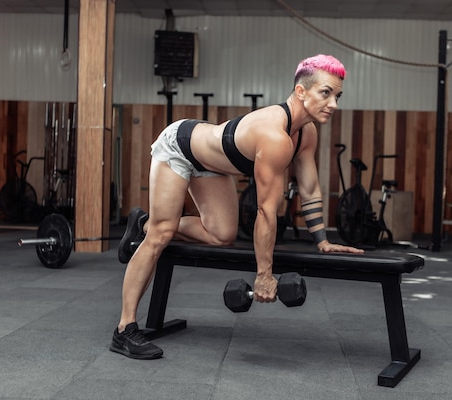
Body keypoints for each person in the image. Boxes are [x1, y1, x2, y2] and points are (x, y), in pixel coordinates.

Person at [110, 54, 364, 359]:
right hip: (179, 145)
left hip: (212, 164)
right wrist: (263, 275)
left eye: (337, 96)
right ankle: (124, 329)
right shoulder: (275, 136)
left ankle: (142, 223)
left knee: (221, 235)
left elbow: (309, 188)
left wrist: (322, 241)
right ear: (301, 91)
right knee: (161, 236)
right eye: (326, 93)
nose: (334, 104)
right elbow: (266, 211)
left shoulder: (305, 133)